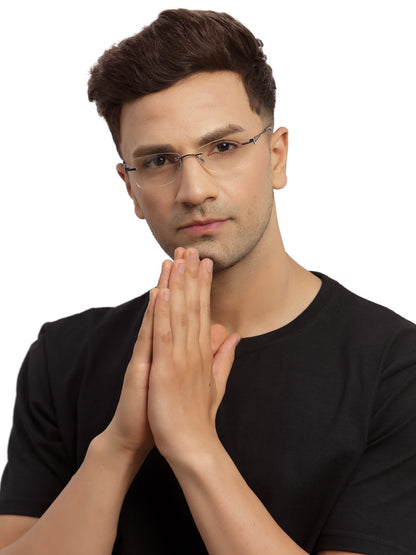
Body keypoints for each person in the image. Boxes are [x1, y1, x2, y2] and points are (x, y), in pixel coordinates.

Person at [0, 8, 415, 555]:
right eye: (159, 160)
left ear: (276, 157)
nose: (194, 189)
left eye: (222, 147)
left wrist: (193, 444)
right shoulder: (63, 356)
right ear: (130, 188)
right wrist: (119, 446)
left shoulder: (394, 367)